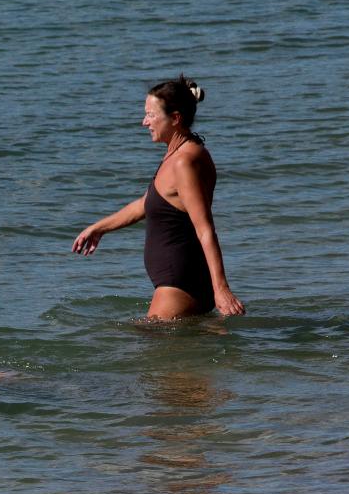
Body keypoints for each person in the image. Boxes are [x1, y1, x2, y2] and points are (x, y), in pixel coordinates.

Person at [72, 75, 245, 319]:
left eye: (151, 115)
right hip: (181, 279)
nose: (144, 122)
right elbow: (145, 204)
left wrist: (221, 289)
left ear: (175, 118)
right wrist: (99, 228)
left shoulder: (185, 162)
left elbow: (205, 229)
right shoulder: (177, 154)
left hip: (179, 283)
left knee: (145, 348)